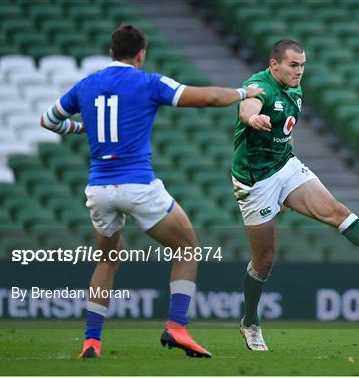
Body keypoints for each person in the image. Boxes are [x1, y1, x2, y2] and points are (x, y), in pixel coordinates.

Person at [39, 24, 263, 359]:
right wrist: (246, 93)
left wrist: (80, 127)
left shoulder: (85, 85)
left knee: (107, 258)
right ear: (140, 53)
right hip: (137, 184)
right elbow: (207, 98)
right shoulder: (148, 82)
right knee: (188, 246)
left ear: (112, 51)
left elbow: (48, 120)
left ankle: (92, 340)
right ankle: (176, 325)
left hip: (99, 188)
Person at [231, 39, 359, 351]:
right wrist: (252, 118)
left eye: (303, 65)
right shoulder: (260, 85)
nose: (300, 71)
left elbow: (286, 131)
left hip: (285, 166)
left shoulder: (295, 89)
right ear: (274, 65)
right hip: (255, 181)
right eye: (294, 65)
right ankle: (250, 322)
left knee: (336, 211)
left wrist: (290, 181)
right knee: (264, 259)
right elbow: (247, 107)